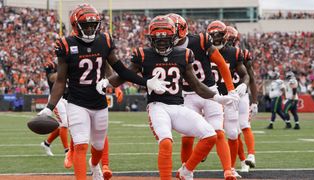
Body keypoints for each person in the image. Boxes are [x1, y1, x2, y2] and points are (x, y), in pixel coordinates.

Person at [37, 4, 168, 180]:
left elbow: (121, 70)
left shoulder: (104, 41)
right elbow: (60, 80)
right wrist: (48, 107)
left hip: (99, 103)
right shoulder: (66, 45)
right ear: (76, 25)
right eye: (86, 25)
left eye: (93, 25)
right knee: (81, 145)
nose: (91, 29)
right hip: (77, 103)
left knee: (98, 147)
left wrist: (146, 82)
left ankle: (94, 165)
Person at [106, 15, 239, 180]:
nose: (162, 42)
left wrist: (218, 97)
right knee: (171, 141)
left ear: (175, 36)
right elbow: (125, 73)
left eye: (166, 38)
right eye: (158, 39)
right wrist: (106, 83)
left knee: (213, 134)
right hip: (162, 105)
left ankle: (191, 171)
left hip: (188, 100)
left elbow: (198, 83)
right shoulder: (144, 54)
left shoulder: (186, 53)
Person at [166, 13, 238, 180]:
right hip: (186, 95)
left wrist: (231, 90)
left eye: (170, 31)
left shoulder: (200, 40)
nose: (167, 36)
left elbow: (220, 63)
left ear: (180, 31)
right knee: (187, 138)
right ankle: (187, 171)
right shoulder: (165, 48)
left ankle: (228, 170)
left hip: (209, 91)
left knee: (218, 132)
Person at [207, 21, 250, 178]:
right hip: (210, 95)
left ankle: (230, 168)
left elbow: (245, 74)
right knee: (206, 130)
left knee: (232, 133)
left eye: (219, 36)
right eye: (213, 36)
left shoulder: (234, 52)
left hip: (229, 95)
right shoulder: (203, 50)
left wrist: (244, 85)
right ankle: (198, 157)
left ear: (225, 36)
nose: (216, 39)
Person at [225, 26, 257, 172]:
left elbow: (251, 77)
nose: (230, 43)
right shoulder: (216, 53)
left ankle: (250, 156)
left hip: (240, 93)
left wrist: (255, 101)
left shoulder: (242, 54)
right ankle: (244, 160)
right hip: (226, 96)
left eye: (232, 40)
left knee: (242, 125)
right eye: (228, 40)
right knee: (233, 132)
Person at [40, 60, 69, 157]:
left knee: (64, 124)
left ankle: (46, 143)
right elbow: (52, 78)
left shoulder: (69, 61)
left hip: (67, 98)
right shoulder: (51, 65)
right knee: (64, 124)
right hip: (56, 98)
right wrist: (66, 69)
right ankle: (67, 151)